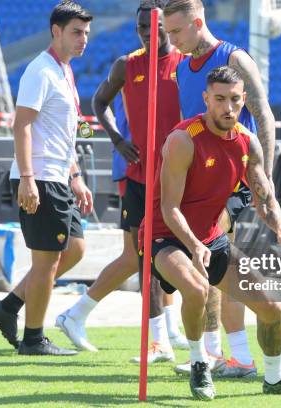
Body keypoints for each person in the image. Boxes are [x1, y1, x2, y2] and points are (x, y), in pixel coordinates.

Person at [143, 66, 281, 400]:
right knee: (196, 289)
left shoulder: (247, 142)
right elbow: (169, 208)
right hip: (166, 238)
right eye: (219, 99)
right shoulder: (183, 140)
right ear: (206, 98)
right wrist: (194, 245)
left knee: (272, 310)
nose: (227, 107)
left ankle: (275, 378)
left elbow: (264, 195)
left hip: (211, 239)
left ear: (244, 101)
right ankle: (199, 365)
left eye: (234, 99)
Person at [55, 0, 189, 362]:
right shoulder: (127, 65)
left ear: (168, 26)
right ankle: (158, 338)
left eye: (153, 27)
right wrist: (118, 140)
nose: (147, 33)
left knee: (169, 259)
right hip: (139, 177)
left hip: (178, 179)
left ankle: (170, 330)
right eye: (141, 28)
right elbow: (99, 101)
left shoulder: (186, 65)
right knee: (143, 257)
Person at [163, 0, 278, 377]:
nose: (171, 39)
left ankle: (237, 356)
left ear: (198, 23)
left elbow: (263, 114)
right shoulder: (182, 67)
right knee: (211, 262)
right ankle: (221, 353)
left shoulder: (235, 58)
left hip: (237, 179)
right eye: (168, 31)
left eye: (177, 31)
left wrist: (264, 183)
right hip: (204, 181)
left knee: (216, 258)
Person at [0, 1, 93, 356]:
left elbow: (64, 133)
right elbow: (22, 125)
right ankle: (33, 339)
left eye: (87, 33)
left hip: (59, 178)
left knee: (75, 249)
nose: (83, 40)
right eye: (76, 32)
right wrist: (28, 178)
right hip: (40, 178)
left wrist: (75, 176)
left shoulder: (65, 71)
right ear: (56, 31)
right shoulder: (40, 70)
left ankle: (9, 306)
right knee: (46, 262)